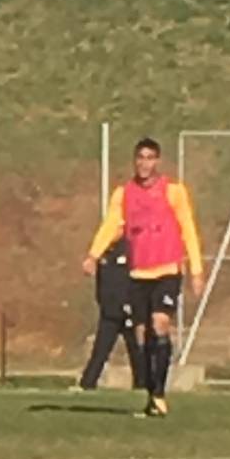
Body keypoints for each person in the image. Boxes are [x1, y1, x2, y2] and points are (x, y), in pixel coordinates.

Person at [83, 138, 203, 418]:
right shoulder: (123, 194)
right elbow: (111, 224)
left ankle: (159, 395)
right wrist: (93, 254)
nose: (144, 163)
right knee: (141, 336)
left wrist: (196, 270)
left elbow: (188, 228)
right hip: (138, 273)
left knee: (159, 324)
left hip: (167, 270)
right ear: (135, 161)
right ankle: (152, 393)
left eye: (150, 158)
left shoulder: (174, 192)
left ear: (157, 161)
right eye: (140, 157)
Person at [77, 238, 144, 392]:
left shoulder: (131, 249)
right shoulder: (103, 253)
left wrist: (132, 303)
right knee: (100, 350)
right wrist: (103, 302)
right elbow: (102, 283)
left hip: (130, 311)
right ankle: (88, 383)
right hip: (110, 312)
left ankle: (142, 384)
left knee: (137, 351)